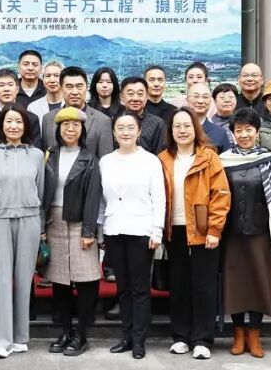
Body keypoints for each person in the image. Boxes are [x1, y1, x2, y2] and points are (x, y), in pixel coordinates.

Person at [158, 107, 230, 360]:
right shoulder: (163, 159)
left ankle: (202, 339)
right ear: (171, 131)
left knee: (204, 286)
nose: (182, 130)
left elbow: (221, 194)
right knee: (179, 285)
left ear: (195, 129)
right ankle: (181, 337)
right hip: (174, 230)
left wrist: (214, 229)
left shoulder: (209, 157)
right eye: (177, 126)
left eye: (187, 125)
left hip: (202, 230)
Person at [218, 109, 271, 359]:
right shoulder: (223, 161)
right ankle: (238, 335)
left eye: (249, 129)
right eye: (239, 130)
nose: (244, 134)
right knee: (235, 284)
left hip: (262, 233)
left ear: (257, 132)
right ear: (233, 133)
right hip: (231, 234)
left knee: (259, 283)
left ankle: (255, 336)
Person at [0, 105, 45, 359]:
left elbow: (41, 191)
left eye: (18, 121)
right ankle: (0, 340)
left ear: (25, 126)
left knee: (25, 281)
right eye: (9, 121)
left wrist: (41, 228)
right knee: (0, 281)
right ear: (2, 126)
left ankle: (20, 337)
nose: (13, 126)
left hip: (30, 222)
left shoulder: (37, 155)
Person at [100, 112, 165, 360]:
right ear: (114, 132)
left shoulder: (150, 161)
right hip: (114, 230)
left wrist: (157, 231)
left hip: (141, 231)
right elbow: (101, 201)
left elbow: (159, 198)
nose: (125, 132)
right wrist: (100, 230)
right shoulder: (106, 161)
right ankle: (126, 336)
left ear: (139, 132)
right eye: (120, 128)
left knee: (140, 289)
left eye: (130, 128)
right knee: (123, 287)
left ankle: (139, 340)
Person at [42, 107, 103, 357]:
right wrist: (41, 226)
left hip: (80, 222)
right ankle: (66, 331)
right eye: (65, 125)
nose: (70, 129)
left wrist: (89, 231)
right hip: (54, 221)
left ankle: (81, 334)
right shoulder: (49, 154)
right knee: (59, 280)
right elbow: (42, 192)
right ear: (58, 129)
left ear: (82, 130)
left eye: (76, 125)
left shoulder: (90, 158)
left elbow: (93, 197)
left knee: (86, 278)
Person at [40, 66, 113, 157]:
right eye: (69, 87)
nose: (75, 92)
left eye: (79, 86)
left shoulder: (103, 121)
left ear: (86, 88)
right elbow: (46, 156)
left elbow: (105, 160)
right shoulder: (48, 118)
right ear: (61, 89)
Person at [0, 69, 41, 152]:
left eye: (10, 84)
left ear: (17, 89)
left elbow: (36, 152)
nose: (6, 89)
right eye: (1, 85)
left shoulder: (31, 119)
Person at [119, 76, 165, 154]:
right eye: (130, 94)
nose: (135, 99)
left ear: (146, 97)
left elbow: (161, 155)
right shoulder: (115, 122)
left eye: (140, 94)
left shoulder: (157, 123)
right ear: (121, 97)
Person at [186, 82, 233, 153]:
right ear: (187, 99)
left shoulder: (220, 132)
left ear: (211, 101)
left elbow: (226, 158)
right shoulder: (177, 130)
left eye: (205, 97)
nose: (200, 101)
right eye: (196, 96)